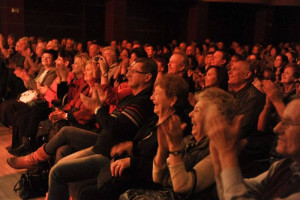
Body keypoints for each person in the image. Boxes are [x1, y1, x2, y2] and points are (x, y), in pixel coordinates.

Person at [8, 57, 157, 200]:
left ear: (147, 77)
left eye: (134, 71)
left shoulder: (143, 103)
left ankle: (36, 164)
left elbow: (112, 127)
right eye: (129, 70)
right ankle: (35, 163)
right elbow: (107, 118)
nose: (128, 74)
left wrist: (97, 107)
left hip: (108, 153)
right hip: (102, 143)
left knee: (57, 170)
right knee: (61, 145)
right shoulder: (131, 98)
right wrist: (97, 105)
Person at [79, 74, 191, 199]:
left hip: (146, 184)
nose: (152, 98)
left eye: (157, 94)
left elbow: (163, 169)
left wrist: (131, 162)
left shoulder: (177, 126)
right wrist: (130, 146)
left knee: (86, 193)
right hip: (128, 174)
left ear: (172, 100)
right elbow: (142, 143)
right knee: (84, 188)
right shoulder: (155, 118)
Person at [150, 87, 235, 199]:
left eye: (197, 110)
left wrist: (174, 147)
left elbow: (183, 187)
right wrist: (162, 148)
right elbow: (157, 177)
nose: (190, 114)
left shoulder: (220, 149)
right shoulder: (188, 141)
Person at [207, 98, 300, 200]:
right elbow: (232, 189)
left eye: (287, 123)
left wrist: (227, 154)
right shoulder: (284, 165)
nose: (276, 129)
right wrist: (218, 152)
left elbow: (237, 194)